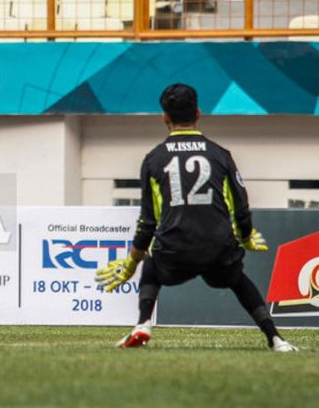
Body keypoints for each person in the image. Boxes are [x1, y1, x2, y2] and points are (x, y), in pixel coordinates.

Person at [96, 83, 297, 352]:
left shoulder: (153, 160)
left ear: (164, 117)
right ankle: (275, 338)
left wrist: (132, 262)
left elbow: (148, 221)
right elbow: (241, 207)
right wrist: (246, 237)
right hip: (217, 249)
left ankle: (143, 323)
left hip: (175, 251)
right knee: (237, 279)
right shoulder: (220, 155)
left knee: (152, 268)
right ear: (199, 113)